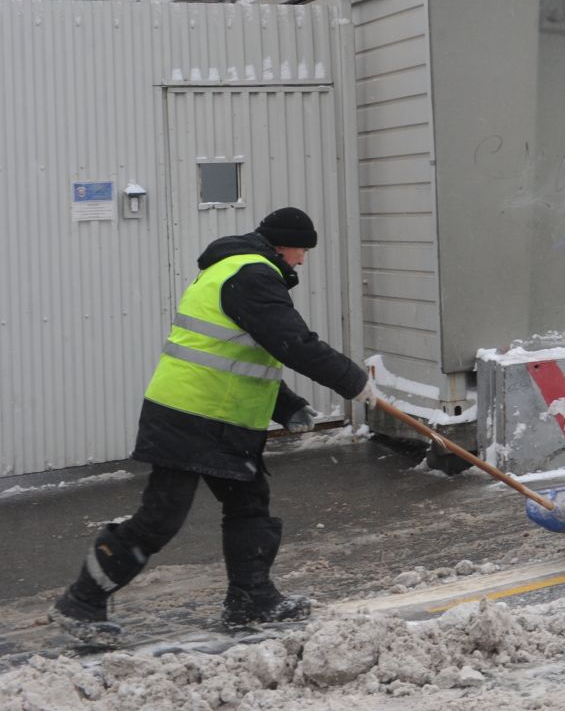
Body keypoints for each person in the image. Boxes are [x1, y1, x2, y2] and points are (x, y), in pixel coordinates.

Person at [50, 207, 377, 646]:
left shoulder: (231, 269)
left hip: (222, 418)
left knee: (249, 505)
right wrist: (356, 383)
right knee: (161, 517)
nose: (302, 261)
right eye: (302, 251)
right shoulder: (253, 275)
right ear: (284, 246)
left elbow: (239, 353)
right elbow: (294, 344)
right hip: (190, 416)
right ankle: (81, 601)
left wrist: (289, 406)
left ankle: (252, 598)